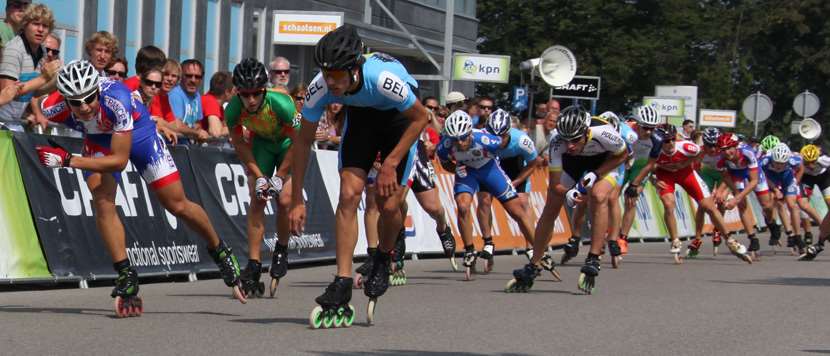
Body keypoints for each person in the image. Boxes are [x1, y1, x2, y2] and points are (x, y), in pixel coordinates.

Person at [35, 60, 247, 316]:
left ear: (98, 91)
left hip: (139, 133)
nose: (84, 107)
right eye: (75, 102)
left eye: (89, 98)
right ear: (65, 99)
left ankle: (221, 251)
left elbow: (119, 160)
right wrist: (45, 78)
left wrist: (68, 160)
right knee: (101, 200)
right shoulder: (53, 107)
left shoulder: (117, 98)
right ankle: (125, 272)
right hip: (100, 139)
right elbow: (35, 93)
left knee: (176, 204)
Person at [289, 25, 430, 327]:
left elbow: (422, 118)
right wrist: (296, 196)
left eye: (339, 76)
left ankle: (384, 256)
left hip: (399, 119)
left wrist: (391, 162)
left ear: (356, 68)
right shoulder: (322, 86)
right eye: (327, 74)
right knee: (348, 194)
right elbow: (302, 141)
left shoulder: (381, 79)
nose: (332, 83)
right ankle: (341, 279)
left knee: (389, 206)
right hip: (364, 119)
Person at [506, 106, 628, 295]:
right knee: (551, 207)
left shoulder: (603, 131)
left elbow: (623, 155)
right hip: (574, 164)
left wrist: (596, 174)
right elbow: (556, 186)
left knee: (598, 196)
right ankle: (535, 263)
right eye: (566, 140)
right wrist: (571, 191)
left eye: (575, 140)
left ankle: (594, 258)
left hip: (605, 162)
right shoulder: (557, 143)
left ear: (586, 132)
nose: (570, 145)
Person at [225, 58, 298, 298]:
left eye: (256, 93)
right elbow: (238, 143)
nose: (252, 100)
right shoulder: (233, 109)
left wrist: (280, 175)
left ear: (264, 89)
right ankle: (254, 263)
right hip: (262, 145)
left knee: (285, 201)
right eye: (246, 95)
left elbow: (300, 141)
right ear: (238, 93)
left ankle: (281, 249)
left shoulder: (282, 104)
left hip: (288, 143)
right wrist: (258, 176)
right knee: (258, 199)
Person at [437, 110, 540, 281]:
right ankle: (469, 250)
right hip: (467, 172)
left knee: (517, 211)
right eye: (456, 139)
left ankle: (538, 251)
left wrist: (515, 181)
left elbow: (504, 153)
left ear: (470, 132)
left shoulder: (487, 139)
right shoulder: (445, 145)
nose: (460, 143)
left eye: (463, 137)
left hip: (489, 170)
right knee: (463, 206)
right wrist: (455, 169)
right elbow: (445, 162)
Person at [631, 125, 752, 264]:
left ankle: (730, 240)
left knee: (709, 206)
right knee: (668, 204)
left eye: (672, 140)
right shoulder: (654, 150)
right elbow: (647, 168)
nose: (669, 144)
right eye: (665, 141)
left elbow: (698, 155)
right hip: (665, 176)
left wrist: (684, 164)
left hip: (686, 174)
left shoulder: (687, 147)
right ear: (660, 141)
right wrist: (654, 180)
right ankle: (675, 240)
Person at [477, 108, 546, 271]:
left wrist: (516, 182)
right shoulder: (481, 137)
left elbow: (533, 162)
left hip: (515, 166)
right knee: (484, 200)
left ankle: (531, 247)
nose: (497, 140)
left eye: (501, 136)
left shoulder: (522, 140)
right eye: (493, 136)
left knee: (522, 203)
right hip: (491, 165)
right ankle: (487, 243)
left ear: (508, 132)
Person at [610, 106, 663, 261]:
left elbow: (651, 164)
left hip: (640, 167)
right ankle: (610, 230)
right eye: (645, 128)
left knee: (631, 200)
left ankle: (623, 238)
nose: (648, 132)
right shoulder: (625, 130)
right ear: (637, 123)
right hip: (622, 163)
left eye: (651, 129)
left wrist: (635, 184)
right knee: (612, 197)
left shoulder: (657, 139)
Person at [716, 132, 777, 260]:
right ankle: (753, 239)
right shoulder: (721, 160)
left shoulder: (747, 153)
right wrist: (736, 194)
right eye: (723, 150)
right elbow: (727, 179)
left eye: (729, 148)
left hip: (753, 172)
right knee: (742, 205)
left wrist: (736, 198)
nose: (727, 152)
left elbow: (754, 181)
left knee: (767, 205)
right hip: (736, 174)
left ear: (735, 147)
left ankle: (771, 222)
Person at [0, 4, 59, 123]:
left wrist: (36, 113)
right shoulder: (14, 50)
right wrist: (44, 78)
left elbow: (31, 88)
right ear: (25, 25)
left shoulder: (42, 50)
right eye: (36, 24)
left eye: (45, 26)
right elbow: (8, 92)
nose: (40, 29)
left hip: (14, 121)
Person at [761, 143, 806, 254]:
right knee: (769, 205)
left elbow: (801, 168)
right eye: (776, 163)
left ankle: (797, 237)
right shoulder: (765, 161)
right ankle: (774, 227)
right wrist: (775, 189)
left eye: (782, 163)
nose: (779, 166)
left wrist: (795, 181)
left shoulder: (793, 159)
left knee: (793, 206)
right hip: (770, 178)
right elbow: (761, 176)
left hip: (787, 178)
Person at [797, 144, 830, 261]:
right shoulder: (797, 160)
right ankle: (824, 228)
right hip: (807, 178)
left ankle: (820, 243)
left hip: (824, 177)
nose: (811, 165)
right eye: (807, 163)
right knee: (802, 204)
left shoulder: (825, 159)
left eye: (813, 162)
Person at [168, 59, 208, 143]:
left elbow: (197, 122)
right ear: (181, 76)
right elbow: (177, 125)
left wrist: (197, 129)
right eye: (189, 76)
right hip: (175, 146)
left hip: (187, 147)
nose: (193, 80)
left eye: (197, 77)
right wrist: (197, 133)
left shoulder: (197, 95)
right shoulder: (175, 94)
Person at [200, 70, 233, 138]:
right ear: (227, 92)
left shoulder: (218, 106)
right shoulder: (211, 102)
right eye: (235, 90)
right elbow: (216, 132)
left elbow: (225, 127)